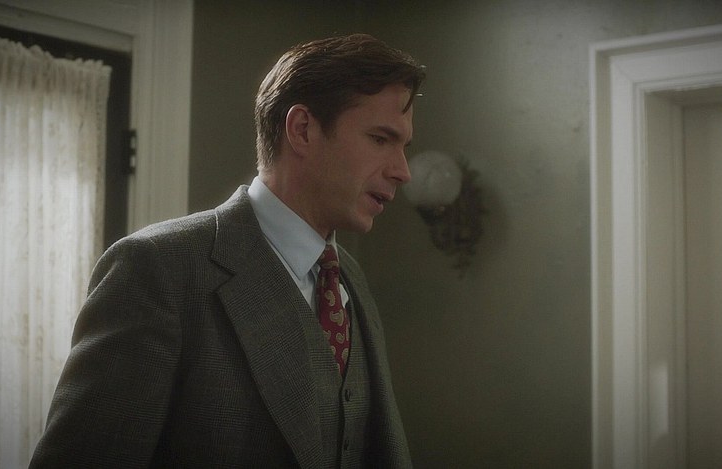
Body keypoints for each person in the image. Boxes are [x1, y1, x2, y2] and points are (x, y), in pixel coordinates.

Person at [29, 33, 425, 468]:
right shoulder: (155, 270)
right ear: (302, 130)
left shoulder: (349, 277)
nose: (402, 171)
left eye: (403, 146)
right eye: (381, 139)